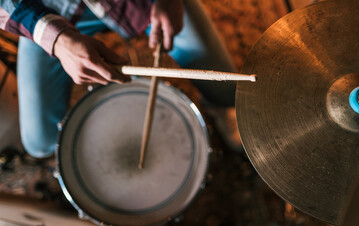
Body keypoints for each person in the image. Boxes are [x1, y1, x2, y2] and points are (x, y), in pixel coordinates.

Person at [0, 0, 242, 158]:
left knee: (225, 87)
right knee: (39, 142)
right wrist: (57, 40)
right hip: (46, 9)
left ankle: (221, 107)